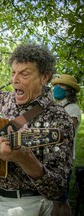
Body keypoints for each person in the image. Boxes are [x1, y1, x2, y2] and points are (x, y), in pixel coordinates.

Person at [0, 28, 74, 215]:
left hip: (31, 204)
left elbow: (57, 189)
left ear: (44, 77)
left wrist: (24, 158)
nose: (15, 80)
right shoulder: (8, 99)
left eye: (24, 74)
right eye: (13, 73)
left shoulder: (58, 118)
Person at [51, 74, 82, 216]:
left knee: (61, 199)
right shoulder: (56, 106)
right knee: (53, 198)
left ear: (69, 90)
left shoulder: (73, 108)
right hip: (51, 157)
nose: (56, 88)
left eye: (60, 86)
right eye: (55, 85)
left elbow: (66, 132)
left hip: (64, 159)